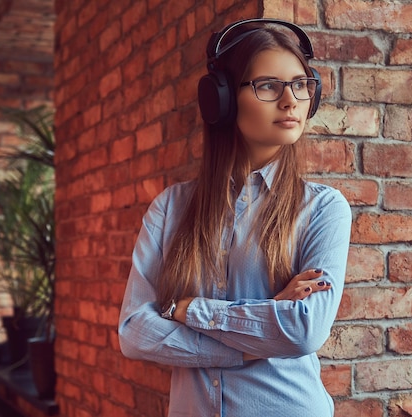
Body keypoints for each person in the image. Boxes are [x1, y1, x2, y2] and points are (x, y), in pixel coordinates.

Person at [118, 18, 352, 417]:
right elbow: (135, 333)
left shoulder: (323, 208)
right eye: (267, 85)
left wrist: (187, 309)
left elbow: (303, 329)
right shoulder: (170, 209)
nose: (290, 100)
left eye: (300, 84)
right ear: (221, 100)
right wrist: (249, 340)